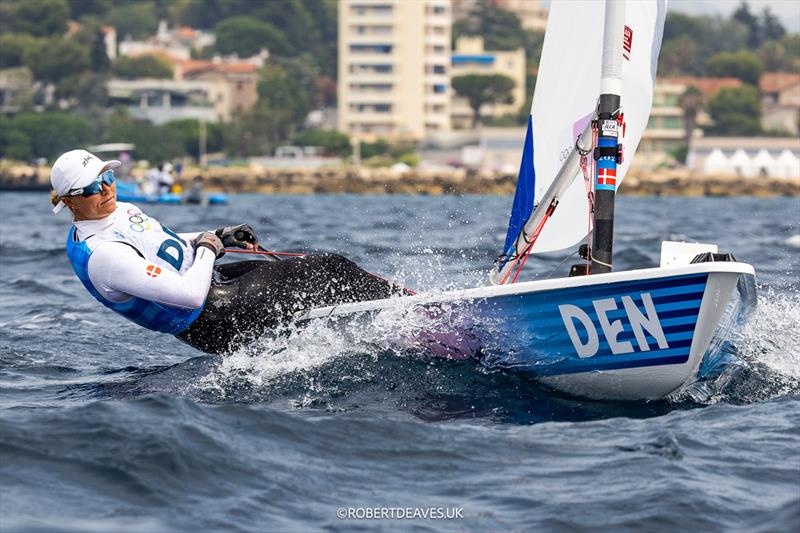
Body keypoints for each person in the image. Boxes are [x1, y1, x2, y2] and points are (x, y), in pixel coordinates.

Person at [50, 149, 408, 354]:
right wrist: (209, 247)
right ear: (69, 202)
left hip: (213, 282)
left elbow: (164, 244)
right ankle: (414, 315)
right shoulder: (104, 257)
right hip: (211, 318)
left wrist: (218, 235)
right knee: (329, 269)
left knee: (325, 267)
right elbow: (189, 297)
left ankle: (402, 309)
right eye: (94, 187)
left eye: (108, 177)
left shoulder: (117, 211)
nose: (107, 188)